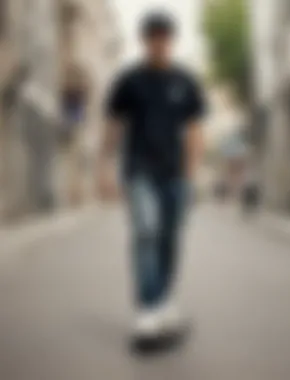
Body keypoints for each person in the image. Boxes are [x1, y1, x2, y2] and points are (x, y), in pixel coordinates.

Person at [98, 12, 205, 340]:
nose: (159, 41)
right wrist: (103, 168)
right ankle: (147, 309)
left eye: (164, 36)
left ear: (172, 40)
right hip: (139, 171)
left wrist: (191, 176)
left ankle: (164, 300)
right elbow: (114, 127)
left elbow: (195, 132)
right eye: (152, 36)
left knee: (170, 240)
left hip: (175, 174)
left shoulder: (185, 82)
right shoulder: (129, 81)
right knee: (146, 232)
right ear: (144, 40)